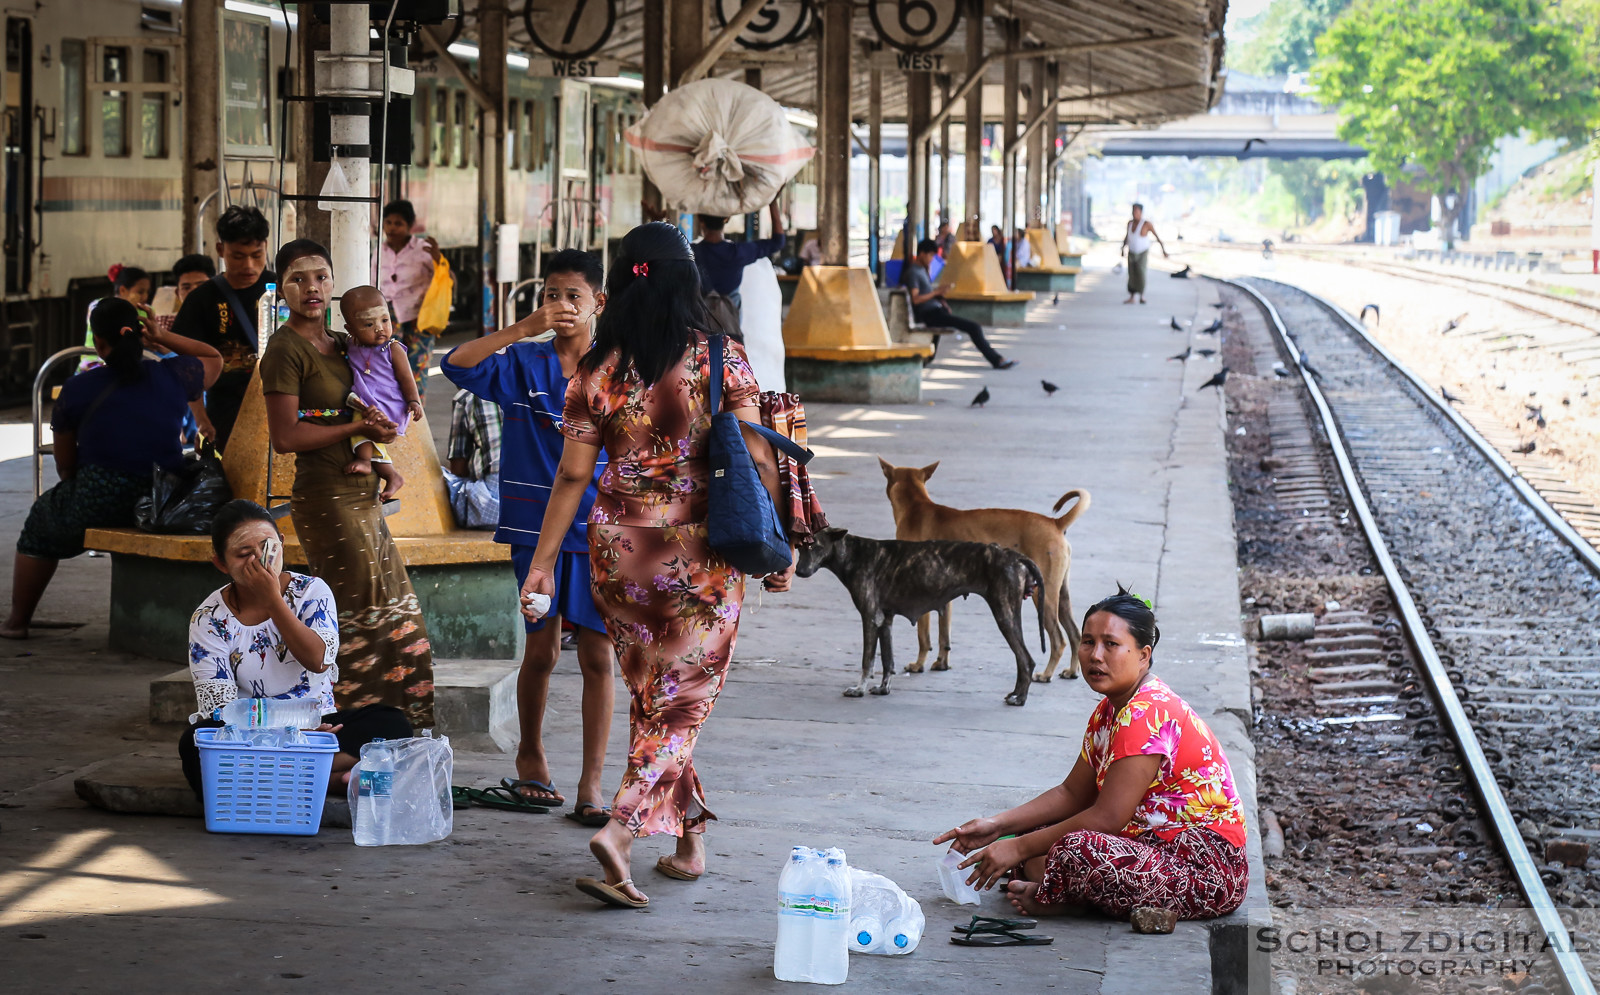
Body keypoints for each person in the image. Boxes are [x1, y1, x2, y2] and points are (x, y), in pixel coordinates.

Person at [521, 222, 791, 908]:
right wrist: (781, 542)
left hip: (619, 556)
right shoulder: (718, 358)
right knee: (683, 703)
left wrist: (543, 567)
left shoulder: (596, 369)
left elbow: (571, 477)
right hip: (697, 557)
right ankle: (621, 828)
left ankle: (688, 839)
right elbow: (760, 455)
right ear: (685, 279)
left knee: (659, 700)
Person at [935, 590, 1249, 921]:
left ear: (1144, 655)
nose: (1095, 655)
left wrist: (1016, 848)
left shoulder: (1147, 712)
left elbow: (1107, 818)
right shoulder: (1110, 709)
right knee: (1040, 831)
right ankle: (1055, 882)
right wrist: (997, 826)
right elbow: (1071, 793)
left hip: (1204, 870)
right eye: (1087, 642)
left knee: (1075, 849)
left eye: (1110, 644)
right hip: (1147, 842)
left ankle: (1067, 896)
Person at [441, 249, 616, 821]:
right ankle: (530, 755)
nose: (562, 307)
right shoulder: (521, 363)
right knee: (539, 648)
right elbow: (457, 366)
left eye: (574, 297)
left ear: (599, 304)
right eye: (552, 295)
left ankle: (592, 781)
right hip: (531, 528)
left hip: (598, 528)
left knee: (598, 654)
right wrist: (522, 328)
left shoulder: (616, 370)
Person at [257, 239, 435, 728]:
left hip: (361, 490)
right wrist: (357, 429)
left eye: (320, 277)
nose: (310, 287)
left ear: (333, 284)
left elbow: (367, 395)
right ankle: (351, 728)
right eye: (297, 278)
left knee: (392, 606)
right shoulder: (284, 350)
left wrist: (380, 451)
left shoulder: (342, 341)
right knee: (354, 612)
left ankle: (399, 724)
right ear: (281, 289)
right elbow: (287, 436)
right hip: (325, 496)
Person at [3, 299, 221, 638]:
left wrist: (84, 487)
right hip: (164, 500)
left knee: (40, 523)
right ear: (139, 335)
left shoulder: (77, 388)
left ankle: (17, 622)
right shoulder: (174, 375)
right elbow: (213, 357)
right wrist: (163, 337)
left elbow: (64, 463)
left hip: (98, 498)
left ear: (99, 343)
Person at [178, 500, 414, 797]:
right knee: (194, 743)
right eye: (243, 554)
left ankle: (273, 779)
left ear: (282, 545)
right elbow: (222, 711)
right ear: (221, 564)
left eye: (267, 548)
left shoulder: (311, 592)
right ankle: (325, 779)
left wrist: (273, 600)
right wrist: (284, 738)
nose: (259, 562)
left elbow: (318, 660)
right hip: (252, 734)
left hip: (319, 726)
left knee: (392, 723)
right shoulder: (209, 618)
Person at [172, 205, 273, 449]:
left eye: (257, 255)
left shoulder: (282, 289)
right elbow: (188, 366)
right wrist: (201, 419)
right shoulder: (201, 299)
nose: (249, 265)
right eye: (238, 256)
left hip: (278, 410)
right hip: (225, 414)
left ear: (266, 247)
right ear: (220, 250)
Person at [339, 285, 423, 499]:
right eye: (369, 324)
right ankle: (392, 475)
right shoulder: (350, 345)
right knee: (365, 427)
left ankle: (365, 462)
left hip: (389, 402)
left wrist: (414, 401)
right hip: (368, 400)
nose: (380, 329)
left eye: (385, 320)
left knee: (364, 426)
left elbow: (406, 378)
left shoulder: (392, 348)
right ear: (351, 329)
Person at [904, 239, 1016, 370]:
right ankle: (997, 360)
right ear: (922, 254)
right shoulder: (913, 272)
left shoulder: (922, 270)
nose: (931, 259)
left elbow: (928, 294)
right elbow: (916, 299)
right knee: (974, 327)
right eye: (930, 256)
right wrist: (936, 293)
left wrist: (940, 298)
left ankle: (928, 357)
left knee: (971, 326)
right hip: (930, 315)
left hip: (937, 311)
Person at [377, 199, 445, 400]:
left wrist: (438, 259)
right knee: (388, 367)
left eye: (398, 223)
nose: (391, 228)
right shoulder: (379, 251)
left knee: (417, 369)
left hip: (420, 317)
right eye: (388, 222)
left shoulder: (423, 249)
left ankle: (416, 418)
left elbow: (445, 279)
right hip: (388, 316)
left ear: (409, 226)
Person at [691, 200, 786, 313]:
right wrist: (772, 202)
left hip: (696, 325)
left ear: (700, 218)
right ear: (727, 218)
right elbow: (778, 242)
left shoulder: (690, 252)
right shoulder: (737, 253)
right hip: (729, 326)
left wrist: (663, 219)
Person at [444, 387, 503, 529]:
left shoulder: (467, 397)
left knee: (439, 475)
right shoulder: (538, 388)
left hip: (493, 509)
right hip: (542, 504)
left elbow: (458, 465)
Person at [77, 264, 152, 373]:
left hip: (133, 361)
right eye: (140, 292)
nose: (145, 297)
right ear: (122, 290)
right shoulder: (98, 307)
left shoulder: (147, 311)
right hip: (96, 359)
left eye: (147, 292)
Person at [1120, 203, 1168, 305]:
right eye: (1133, 211)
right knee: (1132, 274)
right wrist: (1123, 248)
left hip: (1142, 252)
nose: (1134, 214)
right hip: (1131, 252)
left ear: (1141, 212)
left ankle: (1141, 295)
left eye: (1136, 211)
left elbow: (1157, 237)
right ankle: (1132, 296)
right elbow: (1127, 236)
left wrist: (1163, 250)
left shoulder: (1146, 224)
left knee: (1140, 273)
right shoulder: (1130, 224)